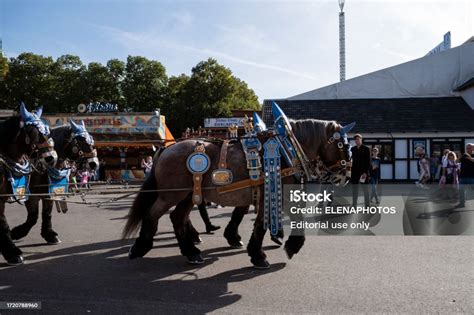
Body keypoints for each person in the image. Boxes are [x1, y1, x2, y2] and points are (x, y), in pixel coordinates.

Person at [351, 134, 371, 207]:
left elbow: (368, 162)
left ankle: (367, 206)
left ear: (361, 139)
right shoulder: (352, 149)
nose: (357, 140)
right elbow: (350, 161)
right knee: (354, 190)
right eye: (356, 139)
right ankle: (354, 205)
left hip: (363, 173)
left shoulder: (366, 149)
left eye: (358, 139)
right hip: (354, 173)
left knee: (365, 190)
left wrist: (365, 172)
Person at [457, 143, 474, 208]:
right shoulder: (464, 155)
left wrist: (470, 158)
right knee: (461, 191)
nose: (468, 149)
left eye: (469, 148)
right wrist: (458, 157)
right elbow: (456, 162)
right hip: (462, 176)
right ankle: (462, 203)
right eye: (467, 148)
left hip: (472, 176)